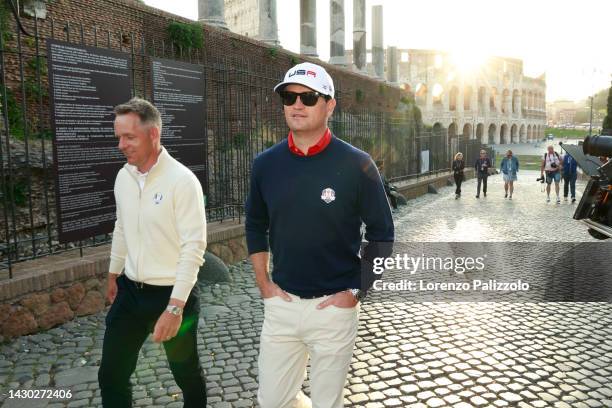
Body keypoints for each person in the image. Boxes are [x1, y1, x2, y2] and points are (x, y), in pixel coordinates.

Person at [245, 62, 394, 408]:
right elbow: (254, 223)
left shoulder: (358, 164)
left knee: (327, 403)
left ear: (329, 106)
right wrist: (263, 284)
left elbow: (382, 234)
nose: (297, 104)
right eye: (289, 96)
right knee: (273, 401)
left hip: (334, 308)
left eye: (309, 97)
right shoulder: (265, 164)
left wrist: (357, 290)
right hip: (282, 305)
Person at [98, 98, 208, 407]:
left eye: (129, 137)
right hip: (129, 293)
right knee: (111, 374)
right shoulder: (124, 177)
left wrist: (174, 308)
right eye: (118, 136)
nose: (121, 145)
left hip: (173, 296)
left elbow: (194, 247)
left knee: (185, 374)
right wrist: (113, 273)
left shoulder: (182, 181)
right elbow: (122, 226)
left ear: (153, 134)